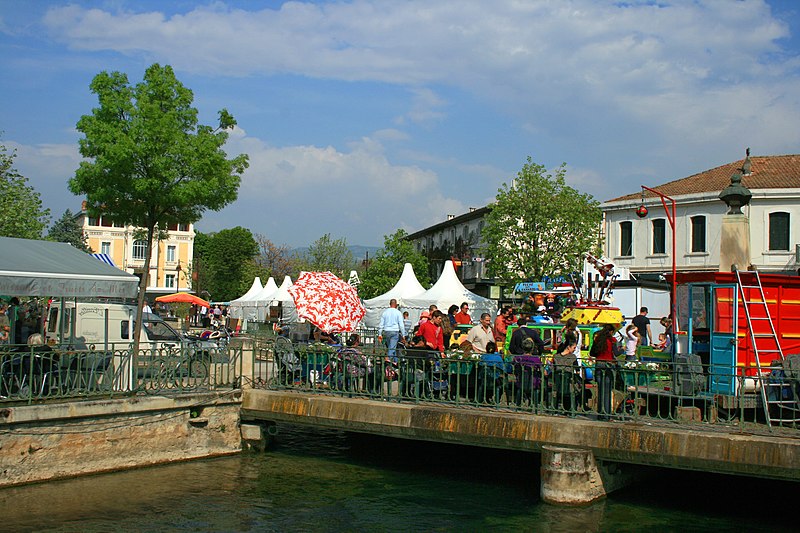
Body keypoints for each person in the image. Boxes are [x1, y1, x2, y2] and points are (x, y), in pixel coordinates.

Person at [591, 324, 618, 418]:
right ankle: (606, 414)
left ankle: (600, 413)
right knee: (607, 390)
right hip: (608, 365)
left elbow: (592, 353)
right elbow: (617, 353)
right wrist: (622, 349)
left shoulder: (598, 339)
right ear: (610, 332)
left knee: (600, 390)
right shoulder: (612, 340)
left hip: (598, 364)